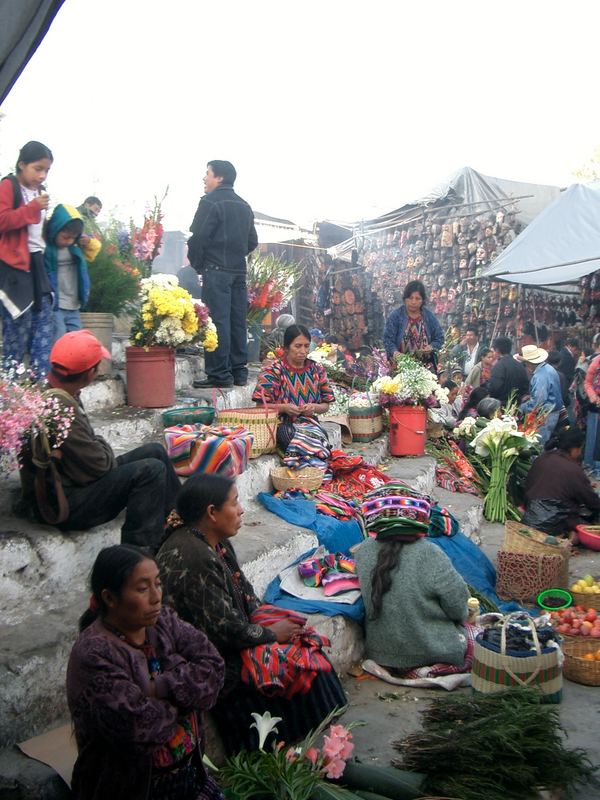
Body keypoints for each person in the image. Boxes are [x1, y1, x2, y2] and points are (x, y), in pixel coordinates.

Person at [156, 475, 347, 754]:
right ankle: (278, 750)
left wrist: (274, 624)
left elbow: (245, 597)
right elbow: (226, 631)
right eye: (234, 503)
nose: (241, 509)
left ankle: (315, 744)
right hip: (206, 661)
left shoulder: (213, 542)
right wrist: (271, 634)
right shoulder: (194, 557)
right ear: (212, 513)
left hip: (227, 640)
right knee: (298, 666)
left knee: (306, 642)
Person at [67, 544, 225, 800]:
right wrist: (187, 689)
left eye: (158, 584)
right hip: (133, 789)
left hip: (192, 777)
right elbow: (141, 727)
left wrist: (160, 688)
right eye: (142, 588)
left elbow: (214, 668)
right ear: (109, 598)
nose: (156, 597)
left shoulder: (163, 621)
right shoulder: (94, 654)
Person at [43, 330, 181, 550]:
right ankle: (138, 555)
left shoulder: (54, 392)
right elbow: (101, 464)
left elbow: (95, 456)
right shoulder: (60, 409)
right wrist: (101, 446)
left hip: (79, 479)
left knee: (155, 451)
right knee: (151, 470)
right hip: (67, 503)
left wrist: (98, 447)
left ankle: (181, 525)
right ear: (89, 373)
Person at [355, 506, 470, 673]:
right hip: (432, 652)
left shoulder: (364, 549)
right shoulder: (430, 553)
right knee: (479, 636)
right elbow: (458, 609)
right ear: (420, 520)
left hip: (380, 653)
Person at [188, 160, 258, 388]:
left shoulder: (210, 202)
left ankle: (219, 374)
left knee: (218, 322)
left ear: (219, 177)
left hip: (216, 270)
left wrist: (200, 263)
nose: (203, 179)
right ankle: (239, 372)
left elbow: (198, 238)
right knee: (238, 321)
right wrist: (236, 255)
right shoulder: (244, 205)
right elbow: (252, 241)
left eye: (207, 174)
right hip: (238, 271)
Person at [0, 140, 54, 379]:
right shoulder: (8, 186)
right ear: (22, 164)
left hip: (37, 264)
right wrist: (32, 208)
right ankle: (10, 393)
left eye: (46, 171)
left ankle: (40, 386)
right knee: (17, 330)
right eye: (37, 168)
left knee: (44, 325)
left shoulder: (39, 193)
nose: (41, 175)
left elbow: (39, 233)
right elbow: (3, 221)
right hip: (13, 267)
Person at [252, 324, 334, 468]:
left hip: (310, 424)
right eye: (298, 346)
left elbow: (326, 405)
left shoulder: (317, 369)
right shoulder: (274, 371)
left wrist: (313, 407)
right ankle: (308, 467)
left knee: (321, 438)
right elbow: (260, 406)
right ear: (286, 348)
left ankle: (311, 468)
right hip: (282, 424)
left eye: (306, 346)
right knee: (290, 436)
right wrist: (284, 408)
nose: (303, 351)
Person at [523, 428, 600, 541]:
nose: (580, 452)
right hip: (556, 522)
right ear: (575, 448)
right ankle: (568, 536)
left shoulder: (541, 459)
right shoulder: (573, 469)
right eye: (580, 449)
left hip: (530, 517)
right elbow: (591, 501)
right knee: (588, 519)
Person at [44, 204, 101, 338]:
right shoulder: (47, 248)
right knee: (59, 337)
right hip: (56, 304)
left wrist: (89, 242)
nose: (68, 241)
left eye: (72, 237)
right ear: (55, 229)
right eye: (65, 237)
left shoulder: (76, 245)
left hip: (74, 304)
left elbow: (94, 250)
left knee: (75, 339)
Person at [383, 280, 444, 369]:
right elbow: (387, 340)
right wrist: (395, 353)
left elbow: (439, 338)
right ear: (405, 299)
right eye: (410, 298)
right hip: (400, 366)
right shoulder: (396, 316)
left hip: (425, 367)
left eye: (418, 298)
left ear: (422, 300)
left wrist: (431, 347)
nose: (413, 302)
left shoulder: (428, 316)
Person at [518, 344, 565, 446]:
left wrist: (522, 408)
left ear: (529, 363)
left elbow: (538, 402)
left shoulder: (540, 376)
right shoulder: (548, 368)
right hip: (552, 411)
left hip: (547, 414)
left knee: (538, 444)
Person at [487, 335, 529, 406]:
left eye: (493, 351)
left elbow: (494, 388)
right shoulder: (520, 366)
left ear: (497, 350)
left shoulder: (499, 366)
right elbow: (525, 387)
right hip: (517, 405)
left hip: (501, 406)